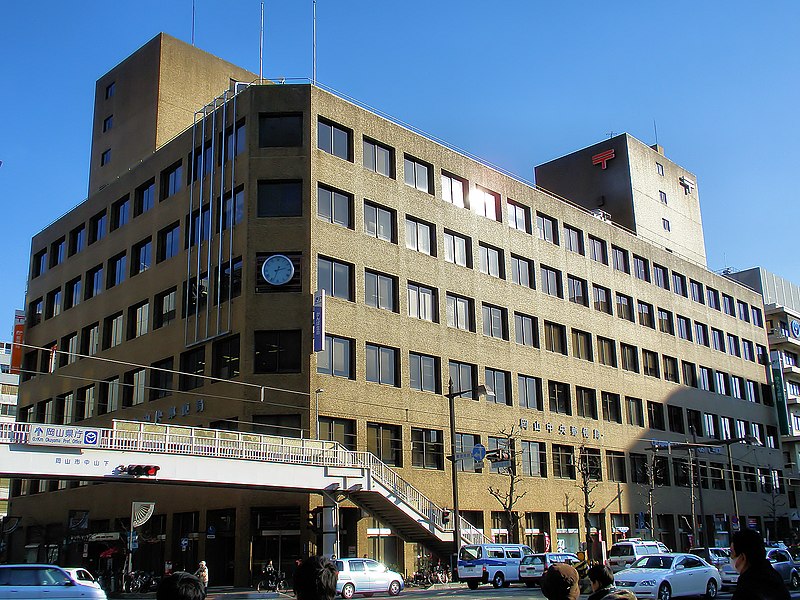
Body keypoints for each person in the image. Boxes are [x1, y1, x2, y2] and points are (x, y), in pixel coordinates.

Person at [730, 529, 790, 600]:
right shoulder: (773, 576)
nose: (730, 557)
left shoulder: (748, 585)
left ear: (743, 557)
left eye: (732, 553)